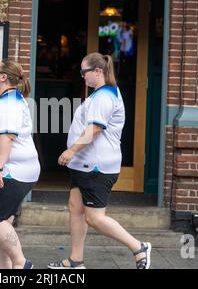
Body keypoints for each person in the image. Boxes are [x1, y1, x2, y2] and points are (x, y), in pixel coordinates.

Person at [47, 52, 151, 270]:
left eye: (84, 72)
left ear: (98, 72)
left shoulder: (104, 97)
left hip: (96, 166)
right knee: (75, 208)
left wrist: (71, 151)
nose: (82, 76)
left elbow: (94, 128)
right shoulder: (100, 94)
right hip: (84, 165)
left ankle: (139, 247)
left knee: (94, 218)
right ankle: (76, 261)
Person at [0, 59, 40, 269]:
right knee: (3, 222)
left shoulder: (9, 103)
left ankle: (21, 262)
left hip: (10, 172)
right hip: (9, 171)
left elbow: (7, 136)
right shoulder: (1, 100)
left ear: (3, 77)